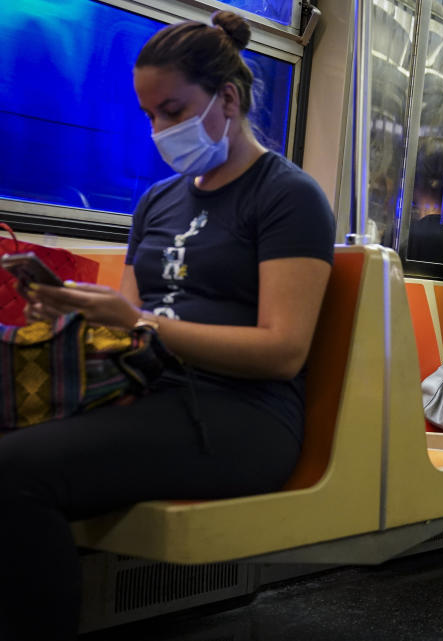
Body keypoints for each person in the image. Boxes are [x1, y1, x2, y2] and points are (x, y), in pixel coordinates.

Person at [0, 13, 336, 639]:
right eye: (150, 115)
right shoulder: (157, 201)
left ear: (227, 99)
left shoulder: (287, 196)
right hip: (147, 391)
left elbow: (283, 351)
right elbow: (128, 330)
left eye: (173, 109)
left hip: (242, 414)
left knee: (14, 474)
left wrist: (143, 325)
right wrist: (77, 312)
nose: (160, 129)